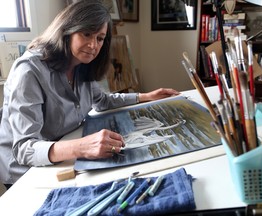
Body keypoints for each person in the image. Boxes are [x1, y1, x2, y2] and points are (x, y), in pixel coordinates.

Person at [0, 0, 179, 188]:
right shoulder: (29, 71)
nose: (93, 45)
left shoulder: (81, 64)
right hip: (25, 173)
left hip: (64, 157)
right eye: (86, 34)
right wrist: (83, 146)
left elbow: (102, 101)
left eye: (100, 38)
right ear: (67, 30)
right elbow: (24, 149)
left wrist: (145, 97)